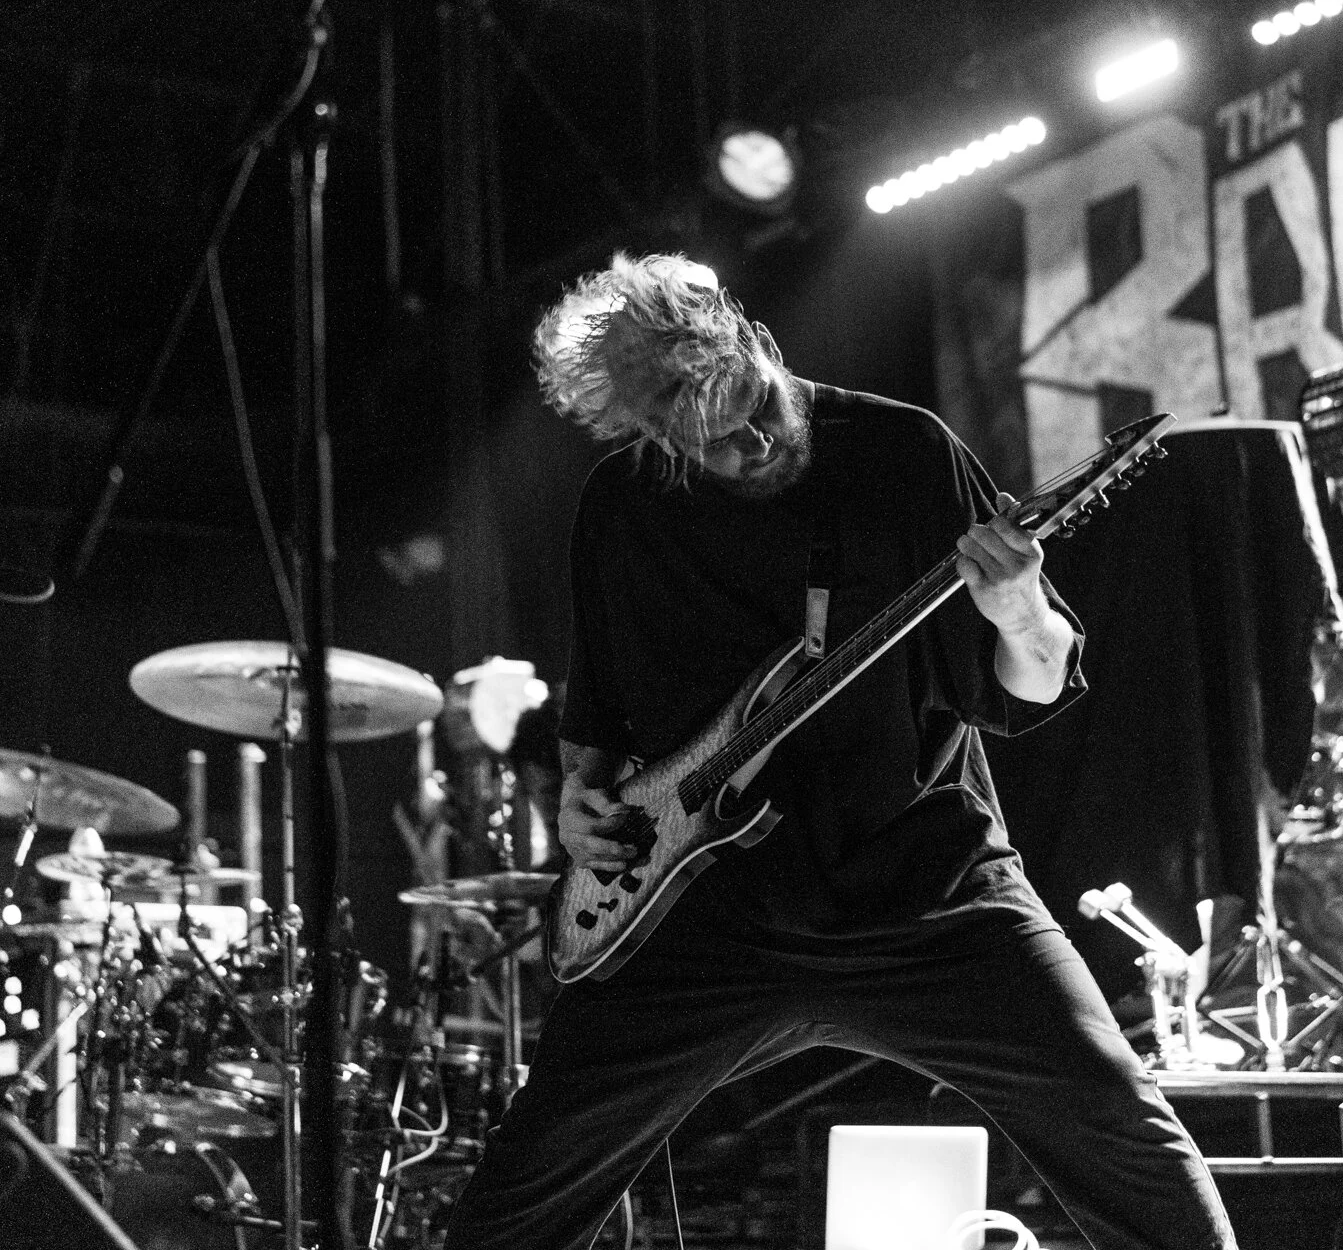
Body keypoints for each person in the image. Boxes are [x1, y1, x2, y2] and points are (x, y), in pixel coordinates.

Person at [440, 255, 1234, 1249]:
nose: (747, 449)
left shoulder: (905, 452)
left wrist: (1018, 607)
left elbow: (1033, 684)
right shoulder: (620, 505)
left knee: (1126, 1138)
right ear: (647, 433)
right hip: (706, 914)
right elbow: (597, 711)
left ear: (750, 337)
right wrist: (578, 801)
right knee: (519, 1194)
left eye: (751, 411)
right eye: (706, 443)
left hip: (930, 893)